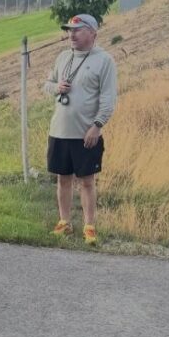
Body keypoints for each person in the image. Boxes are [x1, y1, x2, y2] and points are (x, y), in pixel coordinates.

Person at [43, 13, 118, 245]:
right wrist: (57, 87)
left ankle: (89, 226)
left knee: (87, 181)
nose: (71, 35)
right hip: (60, 130)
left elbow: (108, 99)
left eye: (77, 30)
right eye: (69, 30)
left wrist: (97, 126)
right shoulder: (63, 57)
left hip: (86, 133)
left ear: (92, 33)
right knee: (62, 179)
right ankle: (64, 222)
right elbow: (46, 85)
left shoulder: (104, 60)